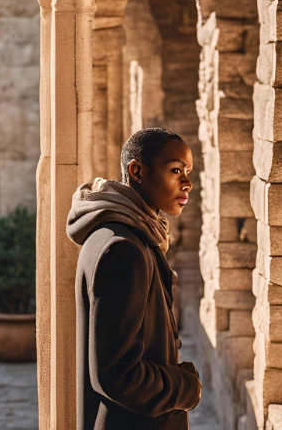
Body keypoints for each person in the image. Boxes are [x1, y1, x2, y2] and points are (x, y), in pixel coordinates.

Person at [66, 127, 202, 430]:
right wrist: (185, 387)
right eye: (175, 170)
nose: (187, 183)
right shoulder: (123, 249)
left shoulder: (118, 235)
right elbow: (116, 375)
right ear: (137, 171)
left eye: (188, 171)